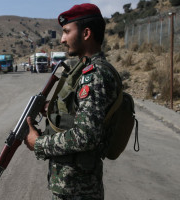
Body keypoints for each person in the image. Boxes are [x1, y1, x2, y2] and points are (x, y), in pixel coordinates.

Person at [24, 3, 121, 200]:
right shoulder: (86, 71)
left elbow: (86, 136)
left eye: (67, 32)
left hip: (79, 192)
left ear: (86, 33)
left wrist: (39, 144)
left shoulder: (94, 75)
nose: (62, 39)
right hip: (73, 188)